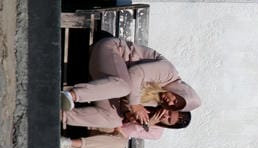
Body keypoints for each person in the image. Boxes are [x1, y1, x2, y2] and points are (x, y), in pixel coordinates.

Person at [60, 37, 201, 124]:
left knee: (114, 119)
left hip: (105, 80)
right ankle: (70, 95)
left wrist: (131, 114)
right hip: (110, 51)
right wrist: (135, 105)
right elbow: (135, 73)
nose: (169, 102)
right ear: (180, 91)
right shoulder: (168, 73)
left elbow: (124, 102)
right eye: (175, 100)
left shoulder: (157, 100)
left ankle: (59, 115)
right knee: (124, 87)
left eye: (172, 106)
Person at [60, 106, 191, 148]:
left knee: (119, 145)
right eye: (170, 112)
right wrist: (143, 122)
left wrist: (147, 124)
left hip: (113, 135)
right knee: (114, 139)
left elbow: (125, 133)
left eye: (169, 120)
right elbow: (120, 122)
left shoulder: (156, 133)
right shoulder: (151, 104)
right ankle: (69, 146)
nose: (165, 116)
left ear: (170, 126)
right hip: (107, 121)